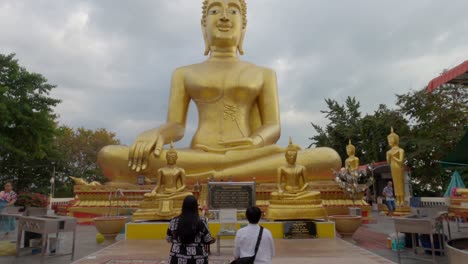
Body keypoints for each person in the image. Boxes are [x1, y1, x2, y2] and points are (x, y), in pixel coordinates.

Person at [97, 0, 341, 185]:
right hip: (199, 155)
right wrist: (156, 133)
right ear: (203, 26)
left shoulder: (263, 73)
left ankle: (216, 177)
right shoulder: (184, 73)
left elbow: (273, 127)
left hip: (249, 154)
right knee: (110, 155)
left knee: (329, 158)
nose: (224, 17)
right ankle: (230, 176)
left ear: (243, 26)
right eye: (215, 10)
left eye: (233, 10)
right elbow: (176, 127)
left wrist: (253, 142)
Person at [166, 195, 215, 264]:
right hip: (197, 259)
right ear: (195, 207)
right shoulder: (201, 222)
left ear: (183, 206)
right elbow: (207, 240)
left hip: (176, 258)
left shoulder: (174, 221)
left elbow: (169, 239)